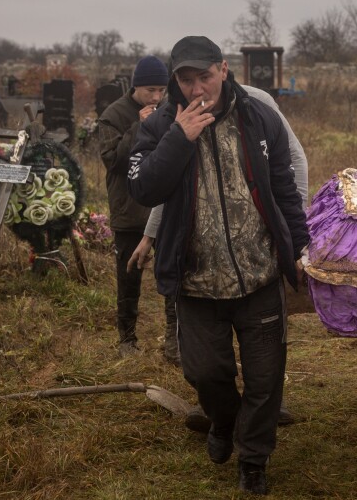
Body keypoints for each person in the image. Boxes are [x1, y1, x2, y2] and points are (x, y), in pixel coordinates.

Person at [127, 36, 309, 495]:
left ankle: (253, 460)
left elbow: (285, 188)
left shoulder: (258, 115)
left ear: (224, 70)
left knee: (266, 378)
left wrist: (301, 249)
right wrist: (179, 139)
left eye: (203, 76)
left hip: (259, 274)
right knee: (206, 374)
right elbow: (144, 189)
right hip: (197, 281)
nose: (195, 88)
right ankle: (223, 421)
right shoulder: (161, 125)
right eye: (185, 80)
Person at [97, 55, 174, 359]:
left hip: (166, 207)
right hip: (129, 209)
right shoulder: (113, 115)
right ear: (135, 88)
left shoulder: (169, 110)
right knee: (129, 277)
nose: (156, 97)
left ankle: (174, 339)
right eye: (150, 91)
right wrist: (138, 128)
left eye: (161, 91)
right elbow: (112, 160)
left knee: (171, 274)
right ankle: (127, 340)